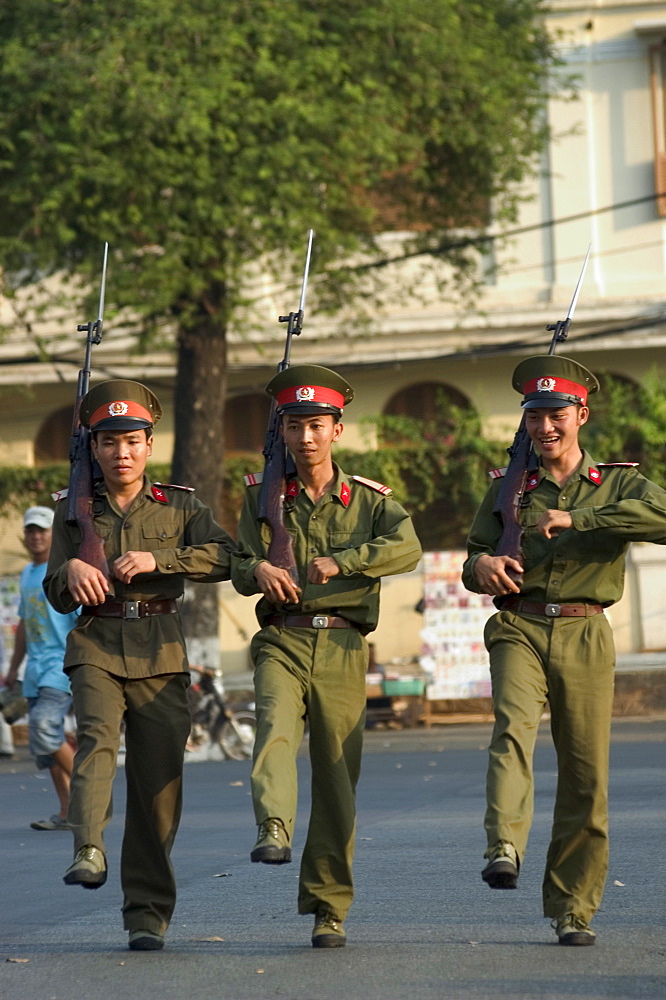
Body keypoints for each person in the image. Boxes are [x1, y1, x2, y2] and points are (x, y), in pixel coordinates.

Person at [462, 356, 666, 946]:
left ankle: (574, 907)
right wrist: (484, 564)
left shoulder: (618, 483)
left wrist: (579, 517)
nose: (544, 428)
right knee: (512, 730)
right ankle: (504, 843)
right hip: (519, 625)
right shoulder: (507, 487)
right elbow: (473, 555)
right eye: (534, 419)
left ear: (581, 414)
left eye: (556, 415)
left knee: (585, 775)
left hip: (583, 629)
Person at [231, 364, 421, 948]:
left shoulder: (367, 500)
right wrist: (257, 566)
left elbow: (407, 547)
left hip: (341, 642)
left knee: (337, 778)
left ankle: (328, 906)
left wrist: (348, 561)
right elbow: (236, 563)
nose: (306, 437)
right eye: (294, 425)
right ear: (282, 432)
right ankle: (274, 825)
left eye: (317, 425)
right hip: (282, 638)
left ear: (337, 428)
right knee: (274, 731)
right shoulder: (260, 495)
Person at [44, 379, 236, 952]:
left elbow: (227, 556)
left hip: (160, 647)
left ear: (149, 444)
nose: (120, 453)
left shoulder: (181, 505)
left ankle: (146, 912)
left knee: (158, 787)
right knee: (97, 737)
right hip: (96, 641)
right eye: (108, 442)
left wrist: (162, 557)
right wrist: (71, 573)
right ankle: (88, 845)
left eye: (131, 440)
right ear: (94, 448)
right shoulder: (72, 509)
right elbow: (55, 587)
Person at [3, 507, 78, 825]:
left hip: (60, 666)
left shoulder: (66, 569)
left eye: (42, 530)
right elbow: (24, 623)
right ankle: (67, 811)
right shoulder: (27, 573)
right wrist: (13, 669)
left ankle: (92, 791)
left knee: (45, 730)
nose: (36, 536)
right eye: (31, 530)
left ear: (54, 533)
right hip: (34, 670)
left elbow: (82, 620)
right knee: (46, 748)